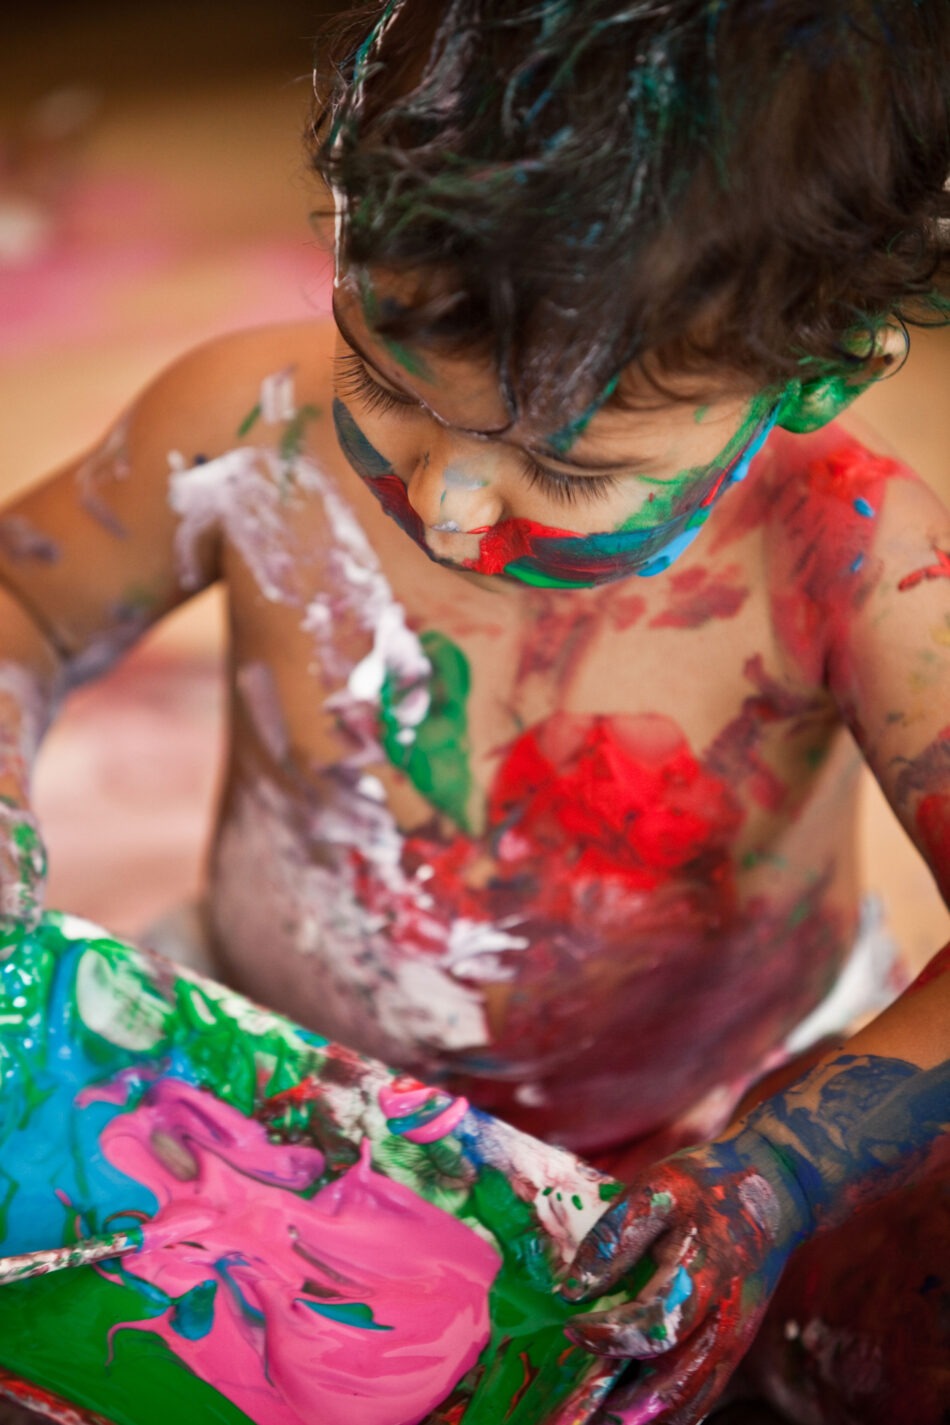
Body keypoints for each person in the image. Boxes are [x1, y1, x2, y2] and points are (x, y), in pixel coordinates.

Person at [0, 2, 948, 1421]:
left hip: (687, 1157)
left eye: (567, 476)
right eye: (385, 386)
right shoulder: (250, 416)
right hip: (254, 1090)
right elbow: (24, 608)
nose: (445, 506)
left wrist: (780, 1175)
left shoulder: (847, 549)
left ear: (817, 363)